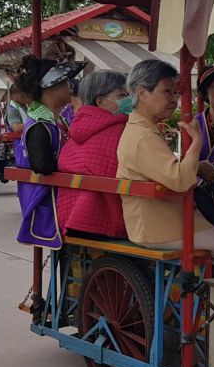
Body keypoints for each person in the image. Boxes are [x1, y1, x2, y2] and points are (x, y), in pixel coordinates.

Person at [116, 59, 214, 276]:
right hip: (163, 226)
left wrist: (196, 166)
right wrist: (196, 143)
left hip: (165, 219)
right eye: (168, 92)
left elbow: (172, 172)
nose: (174, 99)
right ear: (142, 92)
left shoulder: (143, 129)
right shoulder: (142, 136)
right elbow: (181, 180)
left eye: (175, 93)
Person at [14, 55, 86, 248]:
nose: (70, 85)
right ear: (49, 88)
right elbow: (42, 164)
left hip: (60, 196)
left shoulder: (56, 120)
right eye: (64, 82)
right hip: (47, 200)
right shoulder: (39, 125)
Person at [57, 70, 133, 239]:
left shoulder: (76, 130)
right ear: (100, 101)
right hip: (106, 222)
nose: (129, 100)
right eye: (122, 95)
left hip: (70, 218)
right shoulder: (122, 131)